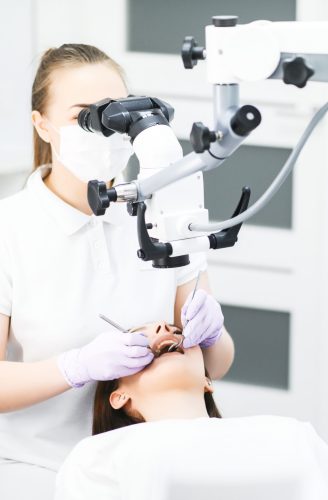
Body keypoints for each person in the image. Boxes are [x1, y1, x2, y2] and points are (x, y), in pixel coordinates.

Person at [0, 44, 234, 500]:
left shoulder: (165, 213)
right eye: (85, 116)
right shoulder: (8, 230)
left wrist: (212, 334)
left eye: (116, 114)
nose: (107, 130)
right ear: (41, 124)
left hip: (151, 464)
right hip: (38, 468)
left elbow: (216, 367)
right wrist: (75, 367)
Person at [55, 319, 328, 500]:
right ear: (118, 395)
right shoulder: (97, 456)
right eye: (140, 339)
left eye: (178, 331)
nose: (166, 327)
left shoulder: (290, 433)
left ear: (208, 380)